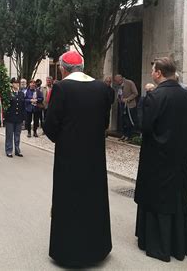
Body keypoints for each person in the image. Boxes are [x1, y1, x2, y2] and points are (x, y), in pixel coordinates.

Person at [43, 51, 112, 268]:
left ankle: (70, 251)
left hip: (69, 156)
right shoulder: (102, 88)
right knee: (93, 199)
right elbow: (105, 123)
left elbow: (51, 125)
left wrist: (65, 140)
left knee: (70, 200)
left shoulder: (62, 88)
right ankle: (96, 247)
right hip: (94, 155)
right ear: (82, 66)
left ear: (63, 69)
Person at [134, 57, 187, 262]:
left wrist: (144, 100)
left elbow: (144, 125)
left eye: (153, 70)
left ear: (158, 73)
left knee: (157, 197)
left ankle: (157, 244)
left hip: (157, 158)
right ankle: (178, 244)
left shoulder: (155, 96)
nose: (152, 73)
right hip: (180, 156)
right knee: (177, 196)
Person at [4, 78, 25, 157]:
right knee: (9, 135)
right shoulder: (8, 93)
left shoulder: (21, 94)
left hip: (19, 117)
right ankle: (9, 150)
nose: (17, 84)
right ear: (12, 84)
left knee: (17, 135)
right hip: (10, 117)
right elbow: (6, 106)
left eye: (18, 83)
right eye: (15, 83)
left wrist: (23, 118)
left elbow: (23, 106)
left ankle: (17, 150)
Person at [114, 74, 138, 141]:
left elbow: (135, 93)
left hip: (129, 105)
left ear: (120, 79)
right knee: (123, 121)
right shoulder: (118, 86)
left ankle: (129, 135)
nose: (116, 82)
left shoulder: (129, 83)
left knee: (129, 121)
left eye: (117, 81)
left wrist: (128, 99)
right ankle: (124, 134)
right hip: (122, 105)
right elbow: (119, 93)